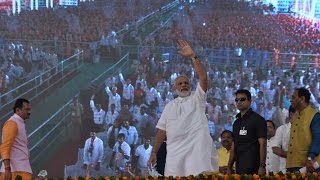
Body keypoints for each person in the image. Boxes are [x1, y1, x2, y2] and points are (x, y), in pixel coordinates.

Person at [148, 40, 218, 176]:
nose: (183, 85)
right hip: (175, 155)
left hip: (197, 154)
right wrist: (154, 152)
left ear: (190, 86)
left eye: (186, 82)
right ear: (175, 88)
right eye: (180, 83)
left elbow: (203, 77)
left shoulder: (197, 98)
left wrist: (193, 57)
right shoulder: (169, 106)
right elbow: (162, 132)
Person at [227, 89, 267, 175]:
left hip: (254, 167)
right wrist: (229, 167)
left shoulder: (258, 120)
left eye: (242, 99)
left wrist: (262, 166)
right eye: (237, 100)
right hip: (239, 167)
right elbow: (234, 145)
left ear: (250, 101)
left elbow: (263, 143)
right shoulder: (236, 123)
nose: (239, 102)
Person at [286, 87, 320, 173]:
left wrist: (310, 158)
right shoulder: (295, 115)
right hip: (292, 164)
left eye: (293, 97)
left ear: (302, 99)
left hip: (307, 166)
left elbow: (317, 138)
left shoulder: (314, 116)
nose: (291, 100)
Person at [0, 98, 32, 180]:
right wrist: (7, 169)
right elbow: (5, 147)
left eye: (30, 109)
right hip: (15, 172)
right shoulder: (12, 123)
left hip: (21, 170)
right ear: (18, 110)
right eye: (26, 109)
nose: (29, 112)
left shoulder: (19, 122)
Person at [272, 106, 295, 173]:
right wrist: (293, 156)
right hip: (285, 169)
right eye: (300, 113)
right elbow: (275, 149)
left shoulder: (307, 130)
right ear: (291, 114)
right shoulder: (282, 129)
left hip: (304, 169)